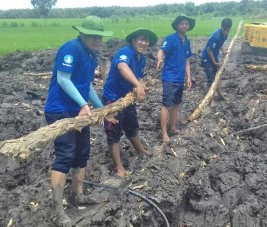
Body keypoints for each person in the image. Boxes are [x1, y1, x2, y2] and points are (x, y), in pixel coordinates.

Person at [44, 16, 112, 226]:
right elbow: (63, 79)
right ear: (82, 33)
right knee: (65, 155)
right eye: (93, 36)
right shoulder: (71, 48)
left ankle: (78, 195)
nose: (97, 40)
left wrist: (102, 109)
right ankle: (58, 210)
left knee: (82, 154)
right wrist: (83, 105)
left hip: (78, 111)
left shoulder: (92, 55)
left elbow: (87, 85)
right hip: (60, 110)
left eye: (99, 36)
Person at [102, 28, 157, 178]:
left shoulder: (142, 59)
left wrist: (143, 85)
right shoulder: (124, 52)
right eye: (141, 39)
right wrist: (138, 86)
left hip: (127, 98)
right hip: (113, 99)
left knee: (132, 126)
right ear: (133, 40)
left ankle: (140, 150)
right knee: (114, 133)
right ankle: (119, 167)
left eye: (146, 41)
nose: (143, 43)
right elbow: (122, 67)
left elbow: (138, 77)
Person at [156, 15, 195, 143]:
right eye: (182, 23)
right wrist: (160, 59)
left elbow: (187, 61)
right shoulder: (171, 39)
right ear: (177, 25)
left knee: (176, 104)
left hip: (180, 79)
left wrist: (188, 77)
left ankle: (172, 127)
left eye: (186, 24)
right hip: (169, 77)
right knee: (166, 105)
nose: (184, 26)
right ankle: (164, 133)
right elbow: (161, 51)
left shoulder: (187, 41)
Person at [201, 18, 232, 106]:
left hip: (214, 57)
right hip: (207, 59)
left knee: (217, 77)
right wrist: (215, 62)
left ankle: (219, 94)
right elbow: (209, 50)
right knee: (211, 79)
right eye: (225, 30)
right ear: (222, 27)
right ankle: (211, 99)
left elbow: (220, 44)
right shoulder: (216, 36)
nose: (227, 32)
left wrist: (223, 51)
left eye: (228, 30)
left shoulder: (224, 35)